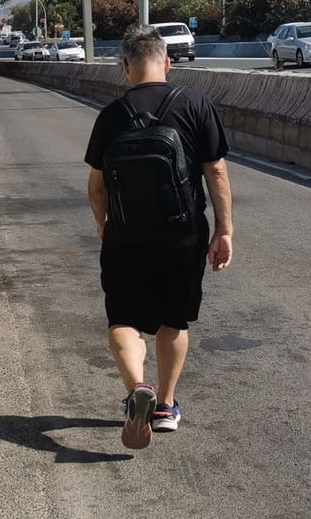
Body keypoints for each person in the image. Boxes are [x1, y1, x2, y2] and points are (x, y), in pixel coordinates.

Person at [85, 26, 234, 450]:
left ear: (126, 67)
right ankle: (166, 405)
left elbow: (96, 186)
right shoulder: (195, 104)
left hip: (125, 238)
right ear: (167, 63)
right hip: (182, 237)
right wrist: (224, 230)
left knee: (123, 322)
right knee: (173, 321)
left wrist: (105, 225)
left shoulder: (111, 115)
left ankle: (137, 386)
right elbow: (216, 171)